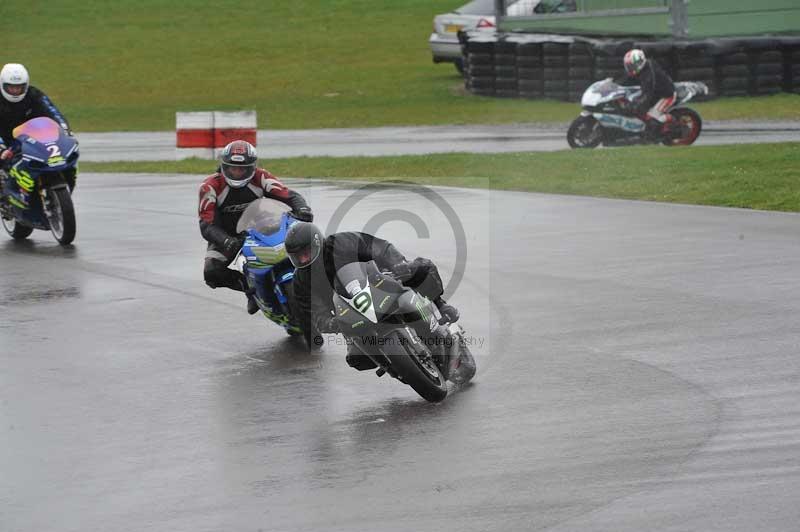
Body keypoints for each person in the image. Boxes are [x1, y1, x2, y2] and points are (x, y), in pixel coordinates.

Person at [284, 222, 459, 370]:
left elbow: (379, 248)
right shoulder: (301, 281)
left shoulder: (341, 242)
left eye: (305, 253)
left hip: (378, 283)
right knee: (357, 359)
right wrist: (329, 323)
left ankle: (440, 305)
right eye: (297, 257)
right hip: (349, 314)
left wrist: (397, 262)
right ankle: (393, 367)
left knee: (421, 268)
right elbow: (313, 310)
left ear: (317, 243)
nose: (303, 259)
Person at [198, 139, 313, 314]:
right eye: (232, 168)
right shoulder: (210, 187)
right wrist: (227, 241)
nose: (237, 173)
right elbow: (206, 225)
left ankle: (315, 281)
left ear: (252, 167)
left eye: (242, 169)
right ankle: (250, 290)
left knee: (301, 242)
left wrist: (302, 209)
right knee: (212, 272)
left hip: (261, 226)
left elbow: (289, 195)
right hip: (225, 235)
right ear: (223, 166)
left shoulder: (261, 177)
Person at [0, 63, 76, 188]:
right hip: (4, 141)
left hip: (30, 140)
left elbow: (53, 112)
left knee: (59, 158)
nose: (15, 91)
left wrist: (66, 131)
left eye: (19, 87)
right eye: (11, 87)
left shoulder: (34, 95)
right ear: (2, 85)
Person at [620, 49, 677, 139]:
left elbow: (648, 94)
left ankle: (673, 121)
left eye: (631, 66)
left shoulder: (649, 75)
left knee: (651, 117)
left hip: (666, 95)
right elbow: (625, 78)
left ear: (639, 63)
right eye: (628, 66)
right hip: (655, 93)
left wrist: (636, 105)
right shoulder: (641, 69)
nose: (629, 68)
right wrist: (612, 83)